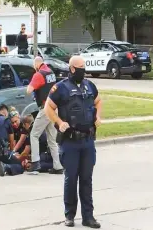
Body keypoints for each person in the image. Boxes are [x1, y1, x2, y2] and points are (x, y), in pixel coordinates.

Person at [44, 55, 102, 228]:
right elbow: (48, 107)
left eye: (84, 67)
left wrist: (97, 116)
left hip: (88, 140)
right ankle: (69, 215)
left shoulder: (89, 86)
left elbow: (98, 101)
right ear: (72, 69)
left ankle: (88, 217)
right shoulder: (60, 88)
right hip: (70, 141)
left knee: (87, 179)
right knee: (71, 179)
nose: (83, 70)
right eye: (80, 67)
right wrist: (59, 123)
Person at [26, 56, 63, 175]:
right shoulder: (50, 72)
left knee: (34, 134)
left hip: (45, 109)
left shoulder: (39, 74)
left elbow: (29, 90)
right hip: (54, 108)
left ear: (36, 64)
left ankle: (35, 163)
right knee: (52, 139)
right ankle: (58, 166)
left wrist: (32, 81)